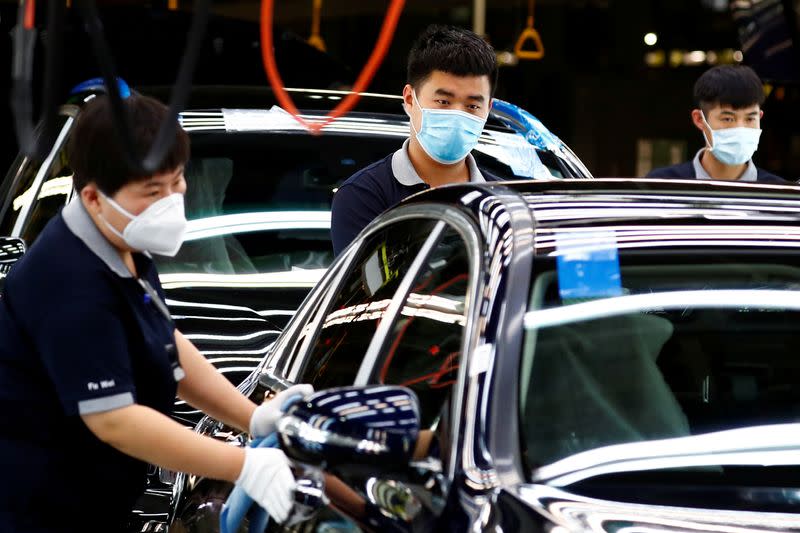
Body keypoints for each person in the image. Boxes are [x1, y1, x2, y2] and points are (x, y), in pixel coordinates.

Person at [0, 93, 313, 532]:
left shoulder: (122, 242)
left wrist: (250, 416)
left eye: (177, 181)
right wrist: (242, 465)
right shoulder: (69, 281)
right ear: (92, 197)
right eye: (152, 191)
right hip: (41, 514)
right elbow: (116, 421)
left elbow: (168, 348)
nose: (171, 201)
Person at [331, 25, 500, 256]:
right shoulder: (363, 196)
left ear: (488, 109)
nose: (458, 115)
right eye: (443, 102)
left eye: (472, 106)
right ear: (410, 99)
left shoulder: (503, 201)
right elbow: (364, 289)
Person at [647, 64, 789, 184]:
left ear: (760, 117)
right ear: (699, 119)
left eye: (750, 119)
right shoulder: (663, 185)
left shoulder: (780, 193)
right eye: (728, 119)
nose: (740, 128)